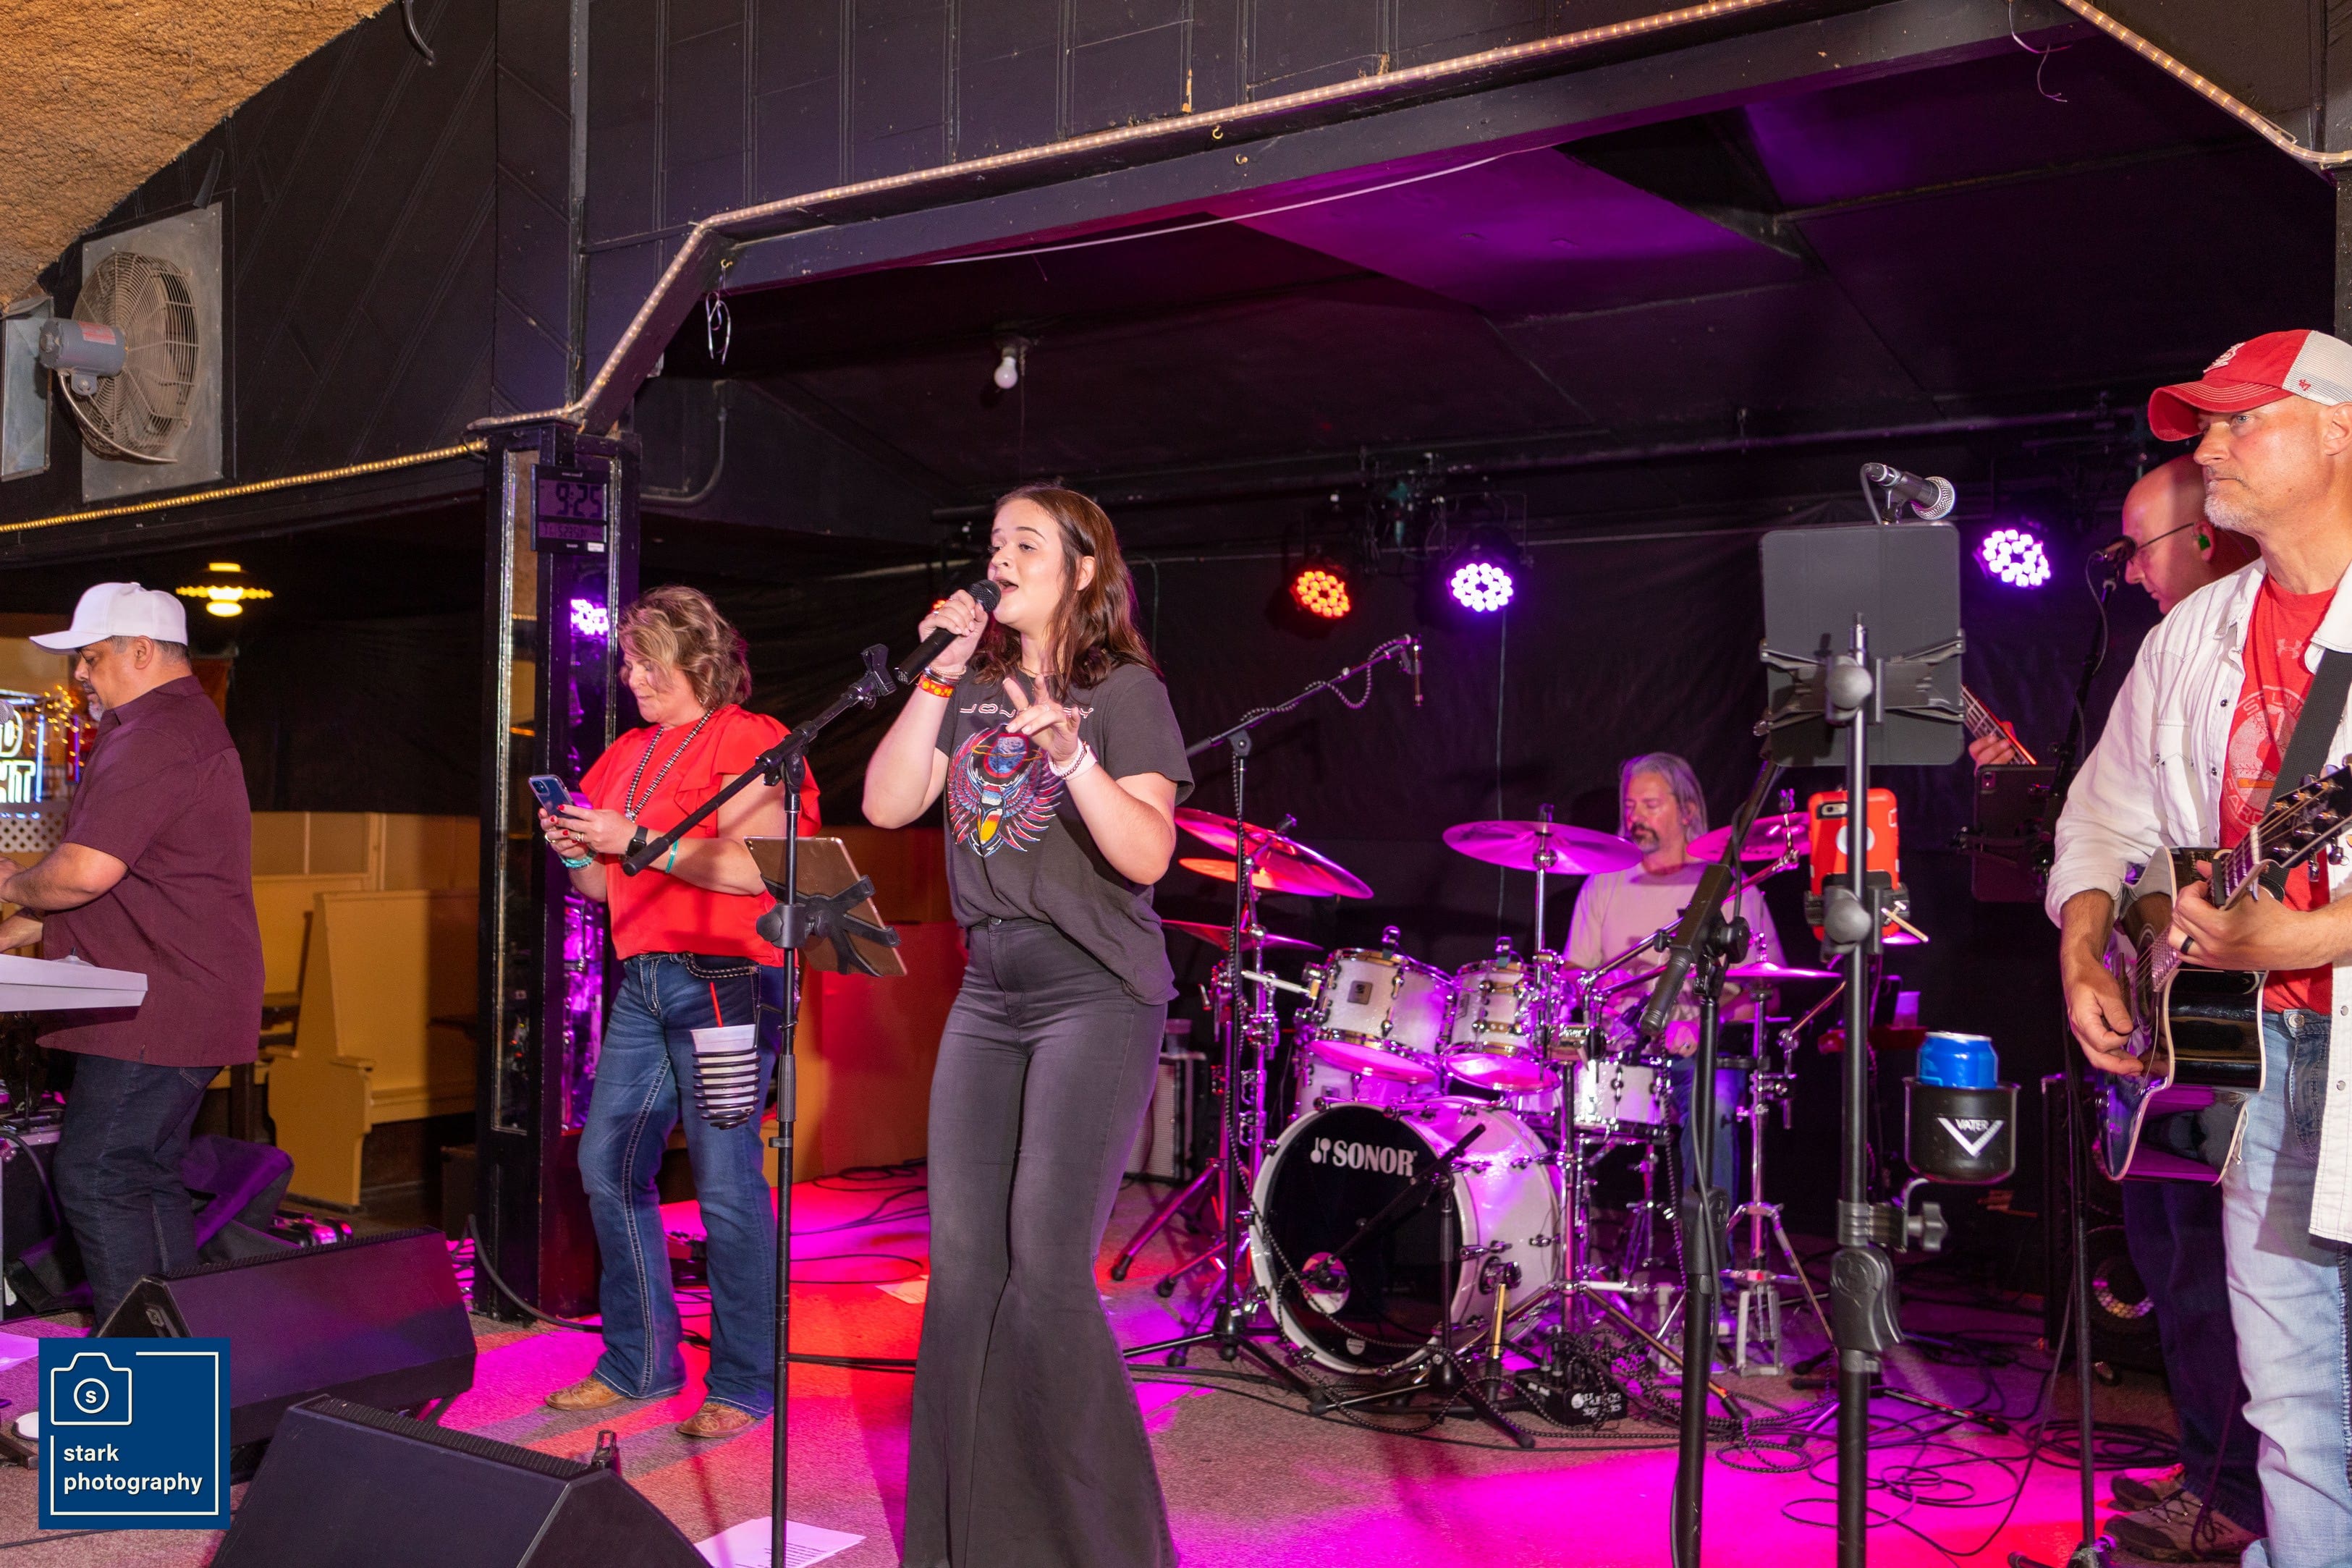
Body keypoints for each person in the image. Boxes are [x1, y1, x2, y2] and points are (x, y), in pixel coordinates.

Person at [2051, 328, 2352, 1567]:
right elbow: (2100, 817)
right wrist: (2084, 949)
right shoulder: (2194, 633)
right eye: (2205, 424)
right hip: (2244, 1048)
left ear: (2339, 427)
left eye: (2241, 420)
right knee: (2287, 1386)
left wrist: (2314, 933)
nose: (2210, 447)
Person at [863, 484, 1190, 1568]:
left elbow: (1147, 853)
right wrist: (939, 672)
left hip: (1093, 989)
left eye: (1026, 542)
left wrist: (1072, 754)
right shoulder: (968, 684)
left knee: (1045, 1272)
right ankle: (967, 1544)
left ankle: (1110, 1550)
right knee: (962, 1269)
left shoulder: (1124, 689)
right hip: (988, 990)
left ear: (1082, 568)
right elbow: (887, 802)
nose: (998, 557)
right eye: (994, 540)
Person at [536, 585, 818, 1441]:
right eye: (627, 662)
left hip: (729, 978)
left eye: (646, 662)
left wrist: (635, 841)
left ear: (696, 660)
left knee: (726, 1182)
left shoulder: (750, 738)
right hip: (647, 977)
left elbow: (759, 867)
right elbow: (602, 885)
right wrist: (575, 848)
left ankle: (745, 1381)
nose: (632, 677)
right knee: (607, 1163)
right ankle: (640, 1360)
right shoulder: (626, 751)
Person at [0, 583, 262, 1327]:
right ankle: (178, 1372)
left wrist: (13, 880)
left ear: (141, 651)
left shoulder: (155, 735)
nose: (80, 675)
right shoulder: (177, 726)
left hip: (158, 1005)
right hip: (181, 996)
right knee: (142, 1179)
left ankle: (146, 1377)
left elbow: (85, 872)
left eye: (90, 657)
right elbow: (119, 887)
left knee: (98, 1175)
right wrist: (13, 927)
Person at [1565, 752, 1785, 1205]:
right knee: (1546, 1083)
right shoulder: (1605, 883)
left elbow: (1766, 994)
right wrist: (1600, 989)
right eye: (1630, 806)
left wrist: (1704, 1025)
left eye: (1650, 805)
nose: (1635, 817)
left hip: (1703, 1054)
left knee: (1713, 1105)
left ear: (1687, 811)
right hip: (1620, 1051)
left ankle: (1708, 1245)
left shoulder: (1731, 888)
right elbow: (1574, 971)